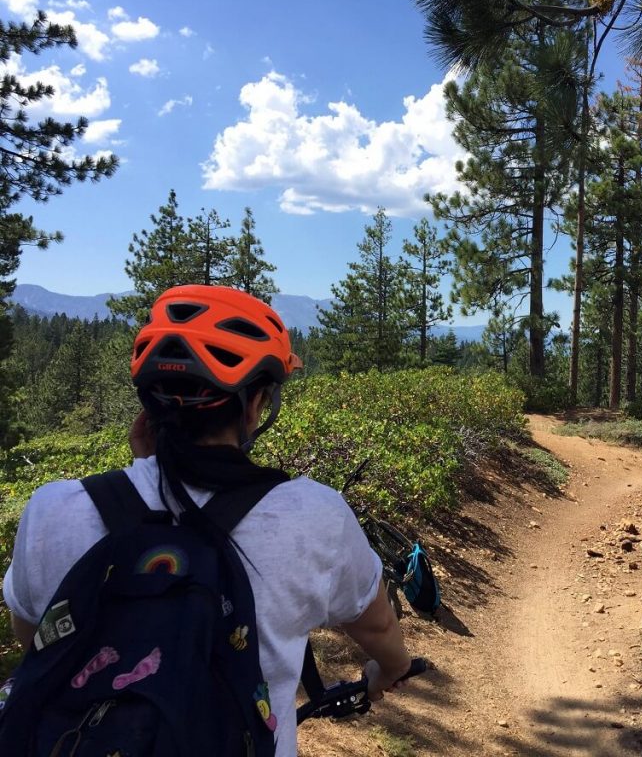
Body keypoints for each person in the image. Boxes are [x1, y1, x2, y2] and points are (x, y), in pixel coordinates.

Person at [2, 284, 413, 755]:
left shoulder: (53, 508)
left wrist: (148, 477)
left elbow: (37, 637)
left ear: (148, 403)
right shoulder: (315, 516)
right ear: (256, 405)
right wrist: (389, 671)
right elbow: (378, 628)